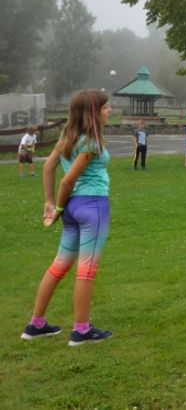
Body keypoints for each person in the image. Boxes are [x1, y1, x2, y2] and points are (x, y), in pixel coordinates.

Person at [21, 90, 113, 345]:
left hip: (74, 209)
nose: (109, 111)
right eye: (105, 108)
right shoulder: (91, 142)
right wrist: (57, 207)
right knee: (87, 270)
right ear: (92, 113)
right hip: (92, 207)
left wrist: (50, 202)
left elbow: (47, 167)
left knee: (59, 265)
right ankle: (81, 330)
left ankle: (36, 324)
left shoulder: (67, 138)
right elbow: (67, 180)